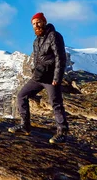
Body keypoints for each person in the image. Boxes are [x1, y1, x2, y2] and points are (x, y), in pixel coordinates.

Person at [9, 12, 69, 144]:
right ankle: (25, 126)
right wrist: (34, 72)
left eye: (38, 22)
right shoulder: (36, 41)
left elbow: (60, 57)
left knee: (56, 103)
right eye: (34, 24)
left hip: (50, 78)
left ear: (44, 21)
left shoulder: (54, 36)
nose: (36, 25)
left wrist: (57, 78)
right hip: (38, 77)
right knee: (21, 96)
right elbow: (37, 60)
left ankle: (62, 133)